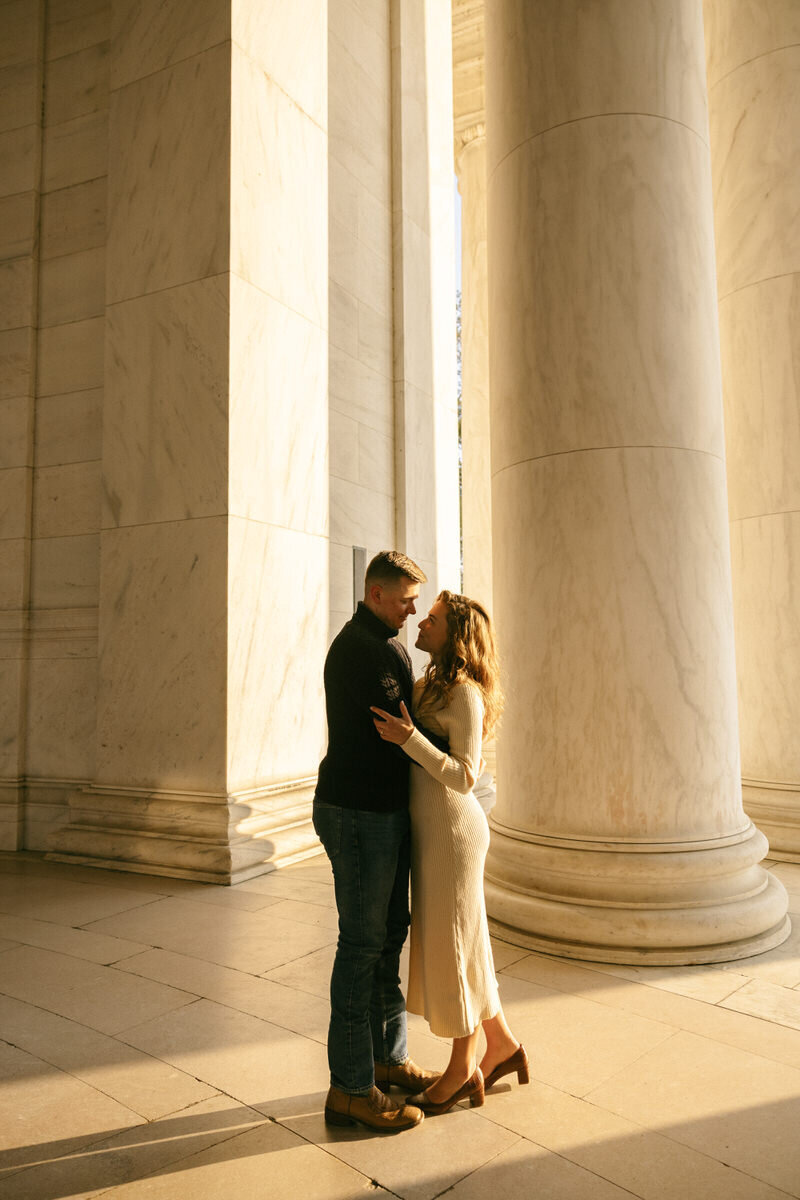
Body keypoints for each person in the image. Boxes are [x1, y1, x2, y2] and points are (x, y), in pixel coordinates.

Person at [371, 590, 528, 1115]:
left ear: (453, 634)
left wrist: (410, 738)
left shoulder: (464, 693)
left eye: (431, 619)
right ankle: (502, 1046)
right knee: (469, 943)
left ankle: (462, 1070)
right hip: (432, 834)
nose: (420, 623)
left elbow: (465, 775)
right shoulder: (429, 683)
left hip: (454, 835)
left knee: (455, 946)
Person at [314, 551, 440, 1133]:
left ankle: (388, 1062)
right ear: (375, 594)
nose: (413, 608)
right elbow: (401, 725)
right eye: (405, 598)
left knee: (389, 937)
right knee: (362, 945)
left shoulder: (385, 641)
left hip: (383, 814)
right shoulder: (359, 649)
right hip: (358, 813)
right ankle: (350, 1089)